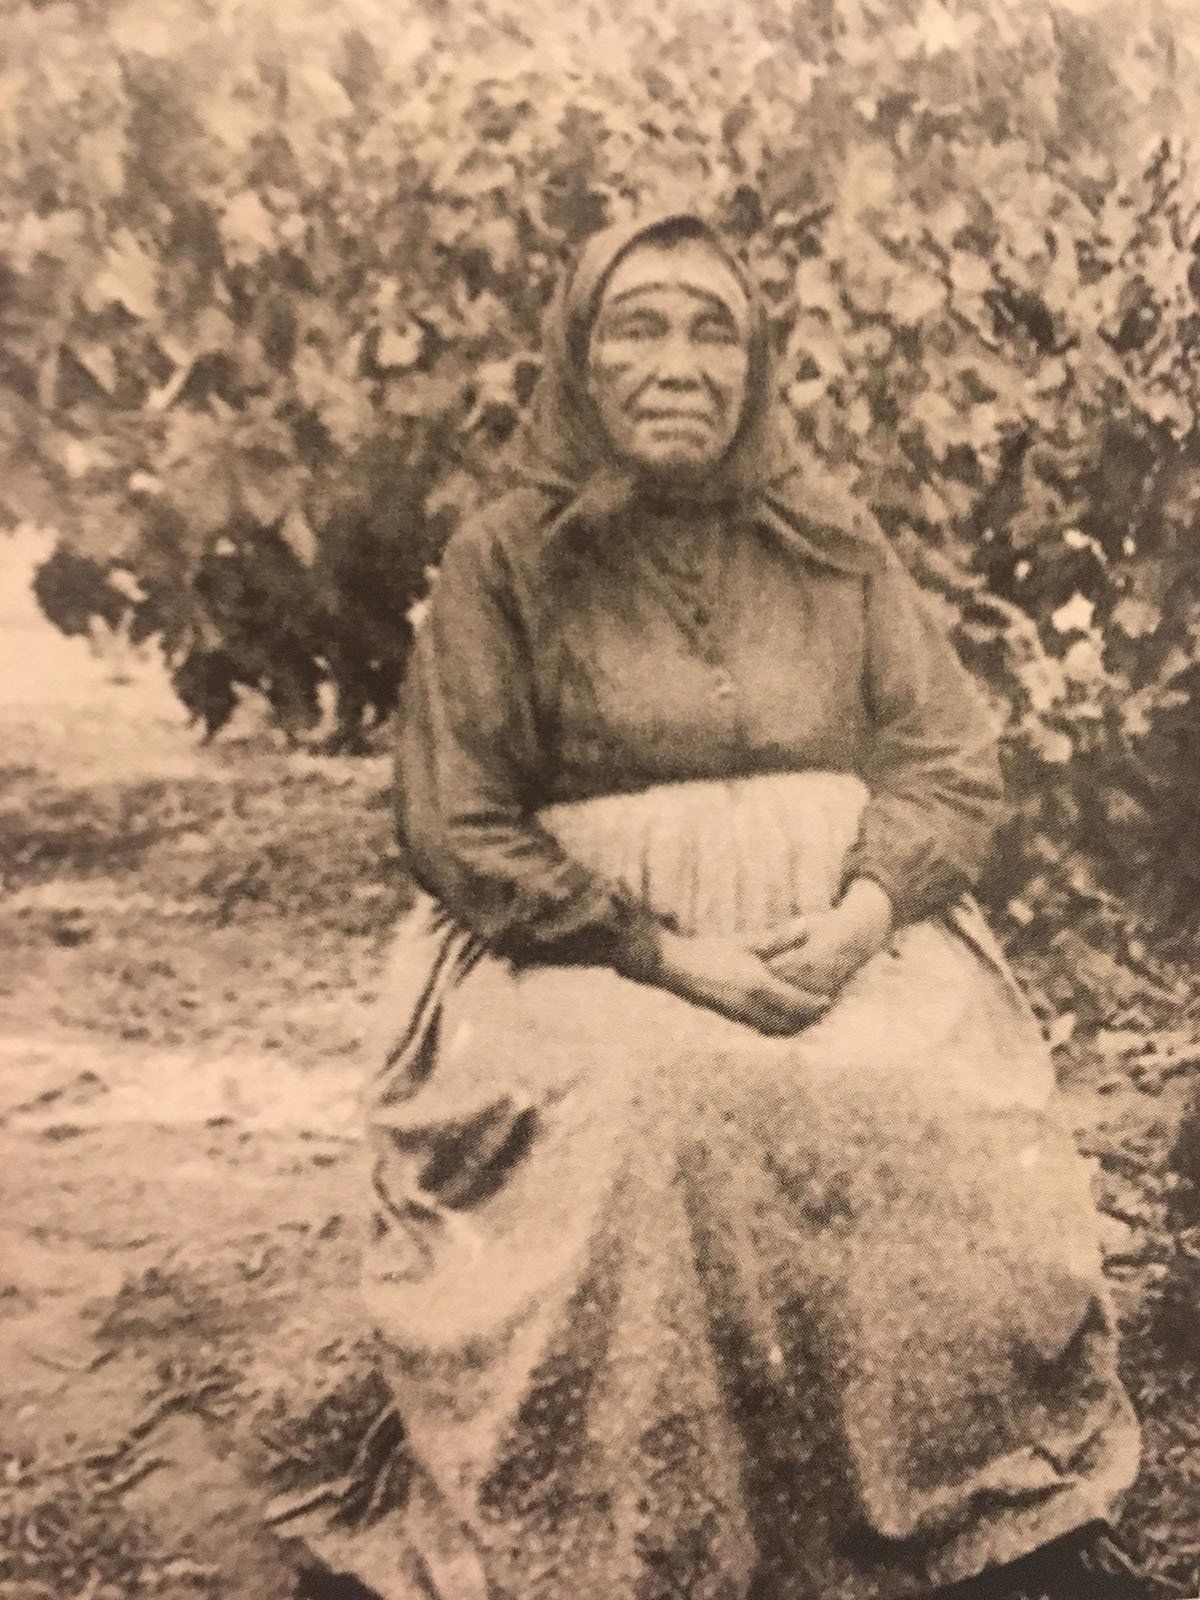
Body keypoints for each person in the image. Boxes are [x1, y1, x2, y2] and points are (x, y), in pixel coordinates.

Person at [349, 213, 1147, 1600]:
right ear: (580, 361)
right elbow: (454, 819)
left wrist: (859, 915)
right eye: (637, 325)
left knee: (920, 1105)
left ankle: (939, 1519)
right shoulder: (508, 559)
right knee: (670, 1115)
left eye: (714, 327)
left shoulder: (833, 543)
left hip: (840, 933)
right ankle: (655, 1543)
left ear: (759, 365)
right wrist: (664, 953)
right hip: (575, 952)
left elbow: (950, 759)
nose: (678, 361)